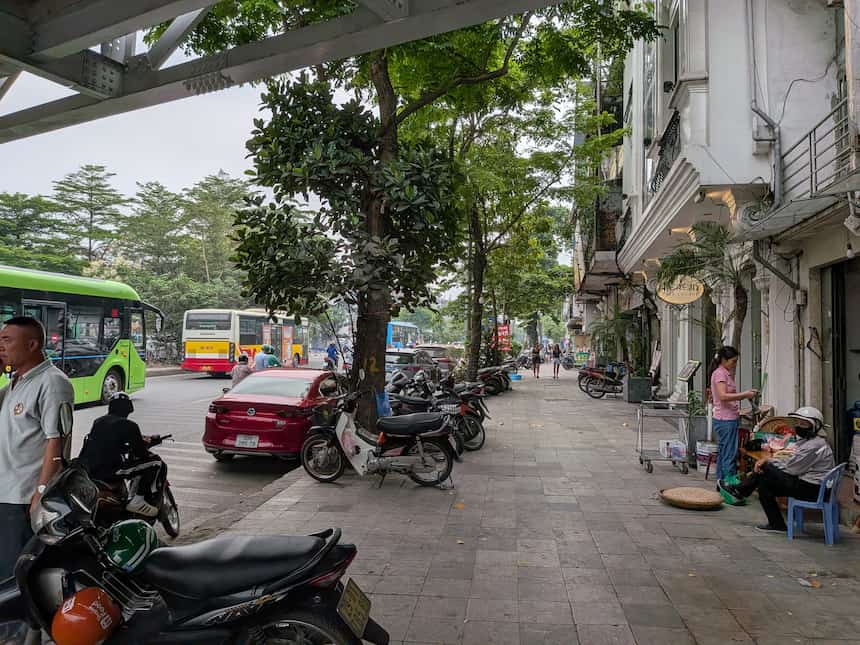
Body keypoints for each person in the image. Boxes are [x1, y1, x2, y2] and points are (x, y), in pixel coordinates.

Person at [0, 316, 74, 580]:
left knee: (14, 571)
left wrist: (40, 493)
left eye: (7, 340)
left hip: (22, 496)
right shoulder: (16, 382)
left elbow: (57, 441)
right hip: (6, 491)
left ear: (32, 345)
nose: (1, 346)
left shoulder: (52, 383)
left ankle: (21, 621)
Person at [719, 407, 835, 532]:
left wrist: (767, 462)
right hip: (811, 485)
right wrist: (769, 461)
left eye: (804, 424)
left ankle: (739, 491)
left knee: (766, 469)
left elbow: (792, 469)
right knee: (764, 483)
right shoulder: (810, 442)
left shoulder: (814, 445)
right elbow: (792, 462)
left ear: (815, 426)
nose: (799, 426)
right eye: (799, 422)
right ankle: (776, 524)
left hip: (813, 489)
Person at [77, 392, 159, 516]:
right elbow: (141, 453)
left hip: (90, 470)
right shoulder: (130, 425)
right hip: (111, 471)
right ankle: (138, 499)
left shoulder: (98, 421)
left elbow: (108, 444)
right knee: (155, 462)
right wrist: (148, 443)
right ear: (129, 408)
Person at [709, 346, 757, 485]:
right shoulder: (720, 374)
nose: (735, 364)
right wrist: (745, 395)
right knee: (729, 453)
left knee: (724, 451)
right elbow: (723, 396)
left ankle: (721, 482)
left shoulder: (725, 373)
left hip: (728, 418)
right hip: (725, 420)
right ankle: (729, 482)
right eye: (733, 361)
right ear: (724, 360)